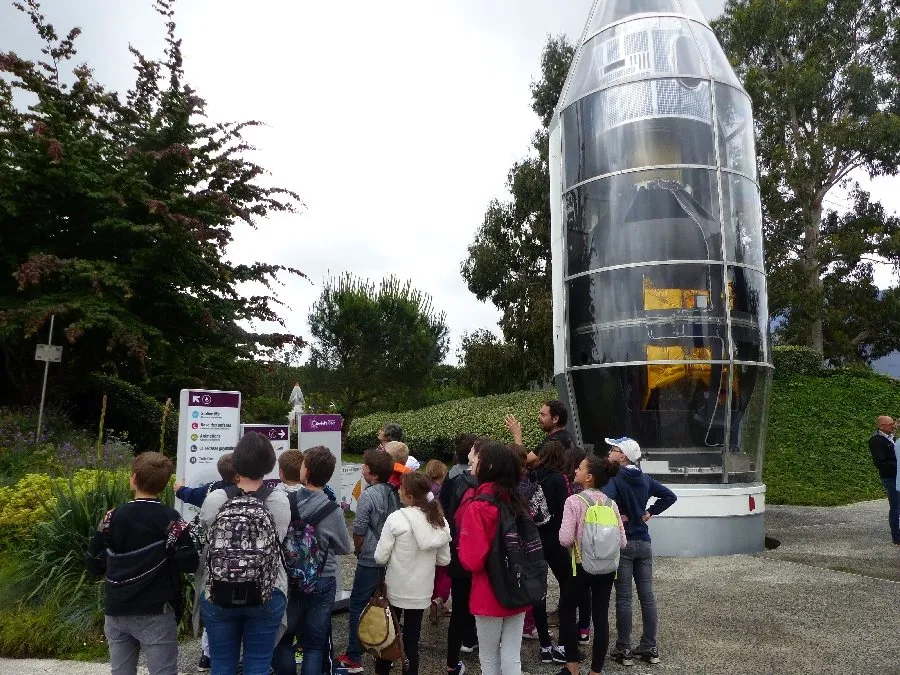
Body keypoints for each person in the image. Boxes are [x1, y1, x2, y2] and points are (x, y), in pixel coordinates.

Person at [85, 451, 199, 675]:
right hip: (156, 609)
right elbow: (190, 563)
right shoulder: (172, 520)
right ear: (166, 484)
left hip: (116, 608)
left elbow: (93, 564)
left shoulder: (111, 518)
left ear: (133, 478)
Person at [195, 432, 291, 675]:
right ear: (270, 466)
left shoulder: (216, 499)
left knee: (222, 665)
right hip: (267, 590)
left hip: (218, 589)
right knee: (258, 664)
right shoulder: (279, 501)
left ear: (235, 464)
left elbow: (206, 533)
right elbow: (279, 538)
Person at [274, 447, 352, 675]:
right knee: (314, 644)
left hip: (290, 577)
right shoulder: (333, 510)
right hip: (322, 578)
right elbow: (345, 547)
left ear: (305, 471)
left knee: (285, 638)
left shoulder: (286, 502)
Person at [603, 437, 677, 667]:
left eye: (613, 450)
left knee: (623, 598)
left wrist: (618, 516)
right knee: (647, 597)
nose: (609, 453)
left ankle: (624, 649)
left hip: (624, 542)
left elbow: (604, 501)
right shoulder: (645, 479)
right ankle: (650, 646)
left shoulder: (615, 479)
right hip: (644, 542)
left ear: (623, 456)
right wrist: (650, 512)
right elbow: (670, 496)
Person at [458, 441, 528, 675]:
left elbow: (472, 560)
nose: (472, 461)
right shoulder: (517, 500)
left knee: (488, 658)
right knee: (511, 655)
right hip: (518, 584)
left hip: (488, 588)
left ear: (488, 465)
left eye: (477, 458)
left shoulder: (478, 507)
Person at [374, 472, 452, 675]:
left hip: (395, 588)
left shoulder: (396, 518)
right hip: (421, 591)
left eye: (401, 488)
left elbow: (380, 557)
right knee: (412, 642)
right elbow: (444, 560)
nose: (398, 490)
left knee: (388, 637)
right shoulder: (439, 521)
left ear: (408, 495)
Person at [558, 456, 626, 675]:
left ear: (588, 477)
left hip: (581, 567)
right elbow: (622, 541)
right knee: (601, 617)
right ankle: (596, 671)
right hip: (607, 569)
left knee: (567, 611)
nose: (575, 470)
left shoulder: (574, 501)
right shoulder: (611, 503)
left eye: (579, 468)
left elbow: (565, 539)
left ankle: (572, 667)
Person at [338, 448, 400, 673]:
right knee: (385, 604)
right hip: (391, 557)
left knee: (358, 604)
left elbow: (360, 528)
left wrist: (358, 548)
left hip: (370, 558)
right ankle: (384, 649)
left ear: (372, 474)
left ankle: (354, 655)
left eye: (365, 466)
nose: (362, 469)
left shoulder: (368, 495)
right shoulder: (394, 492)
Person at [173, 453, 236, 672]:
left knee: (214, 607)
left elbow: (187, 494)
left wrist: (179, 487)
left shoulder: (211, 491)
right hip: (241, 561)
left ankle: (207, 655)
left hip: (214, 558)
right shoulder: (248, 492)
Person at [526, 440, 572, 664]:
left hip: (535, 538)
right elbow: (565, 510)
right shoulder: (559, 479)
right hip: (556, 539)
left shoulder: (532, 475)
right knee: (566, 587)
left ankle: (544, 644)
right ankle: (563, 644)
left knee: (538, 591)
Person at [439, 437, 482, 675]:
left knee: (459, 607)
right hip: (485, 557)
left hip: (460, 549)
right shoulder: (496, 485)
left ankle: (452, 661)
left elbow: (444, 510)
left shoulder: (455, 479)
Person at [504, 399, 575, 468]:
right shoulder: (564, 436)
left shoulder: (555, 440)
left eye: (543, 415)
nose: (538, 417)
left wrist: (517, 434)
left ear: (555, 419)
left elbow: (524, 461)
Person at [424, 459, 451, 623]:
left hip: (427, 534)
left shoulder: (425, 490)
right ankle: (439, 600)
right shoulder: (442, 492)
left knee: (432, 569)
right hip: (441, 532)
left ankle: (431, 597)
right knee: (444, 570)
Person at [868, 416, 899, 545]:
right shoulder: (876, 441)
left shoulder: (893, 438)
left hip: (897, 476)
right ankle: (897, 538)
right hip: (890, 477)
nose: (894, 426)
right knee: (896, 507)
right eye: (890, 424)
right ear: (881, 426)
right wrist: (898, 465)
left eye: (894, 423)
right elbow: (881, 462)